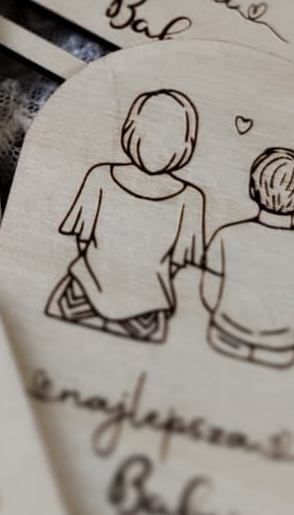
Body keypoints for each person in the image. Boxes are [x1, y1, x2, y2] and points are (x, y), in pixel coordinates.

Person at [46, 89, 206, 343]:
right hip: (145, 308)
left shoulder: (100, 176)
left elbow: (82, 239)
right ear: (187, 143)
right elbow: (179, 261)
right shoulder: (191, 199)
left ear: (132, 129)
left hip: (83, 294)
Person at [200, 147, 294, 369]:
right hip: (280, 347)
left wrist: (229, 316)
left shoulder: (227, 235)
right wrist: (284, 330)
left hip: (225, 334)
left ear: (253, 189)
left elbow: (210, 291)